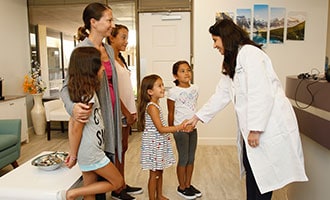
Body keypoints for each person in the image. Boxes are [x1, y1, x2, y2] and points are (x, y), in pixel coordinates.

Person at [185, 19, 308, 200]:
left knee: (263, 175)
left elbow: (261, 92)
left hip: (266, 126)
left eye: (215, 40)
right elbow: (222, 94)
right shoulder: (232, 60)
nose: (214, 45)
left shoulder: (250, 54)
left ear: (226, 38)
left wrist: (256, 129)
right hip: (252, 127)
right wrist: (197, 117)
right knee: (253, 170)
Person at [60, 2, 126, 200]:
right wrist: (73, 108)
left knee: (97, 177)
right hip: (93, 120)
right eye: (109, 20)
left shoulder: (108, 48)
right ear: (93, 22)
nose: (112, 25)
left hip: (109, 119)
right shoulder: (82, 51)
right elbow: (66, 87)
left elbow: (112, 85)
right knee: (98, 178)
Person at [137, 74, 187, 200]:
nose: (163, 88)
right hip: (154, 146)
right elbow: (161, 129)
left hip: (159, 144)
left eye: (162, 85)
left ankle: (159, 195)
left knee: (160, 171)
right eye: (159, 86)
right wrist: (179, 127)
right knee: (154, 173)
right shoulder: (152, 107)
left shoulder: (156, 105)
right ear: (150, 91)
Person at [107, 24, 143, 198]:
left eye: (127, 37)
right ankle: (117, 189)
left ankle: (121, 183)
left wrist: (132, 110)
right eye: (123, 37)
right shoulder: (109, 61)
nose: (126, 41)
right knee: (117, 150)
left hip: (127, 111)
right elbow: (111, 90)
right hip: (118, 113)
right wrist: (126, 112)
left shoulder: (120, 59)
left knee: (123, 148)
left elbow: (126, 88)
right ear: (111, 38)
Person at [167, 60, 201, 200]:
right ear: (175, 76)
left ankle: (188, 184)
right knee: (184, 158)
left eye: (188, 70)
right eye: (182, 71)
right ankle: (181, 187)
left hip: (193, 128)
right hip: (180, 130)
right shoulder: (173, 91)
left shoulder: (195, 88)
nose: (187, 73)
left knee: (191, 158)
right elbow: (170, 112)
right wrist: (172, 130)